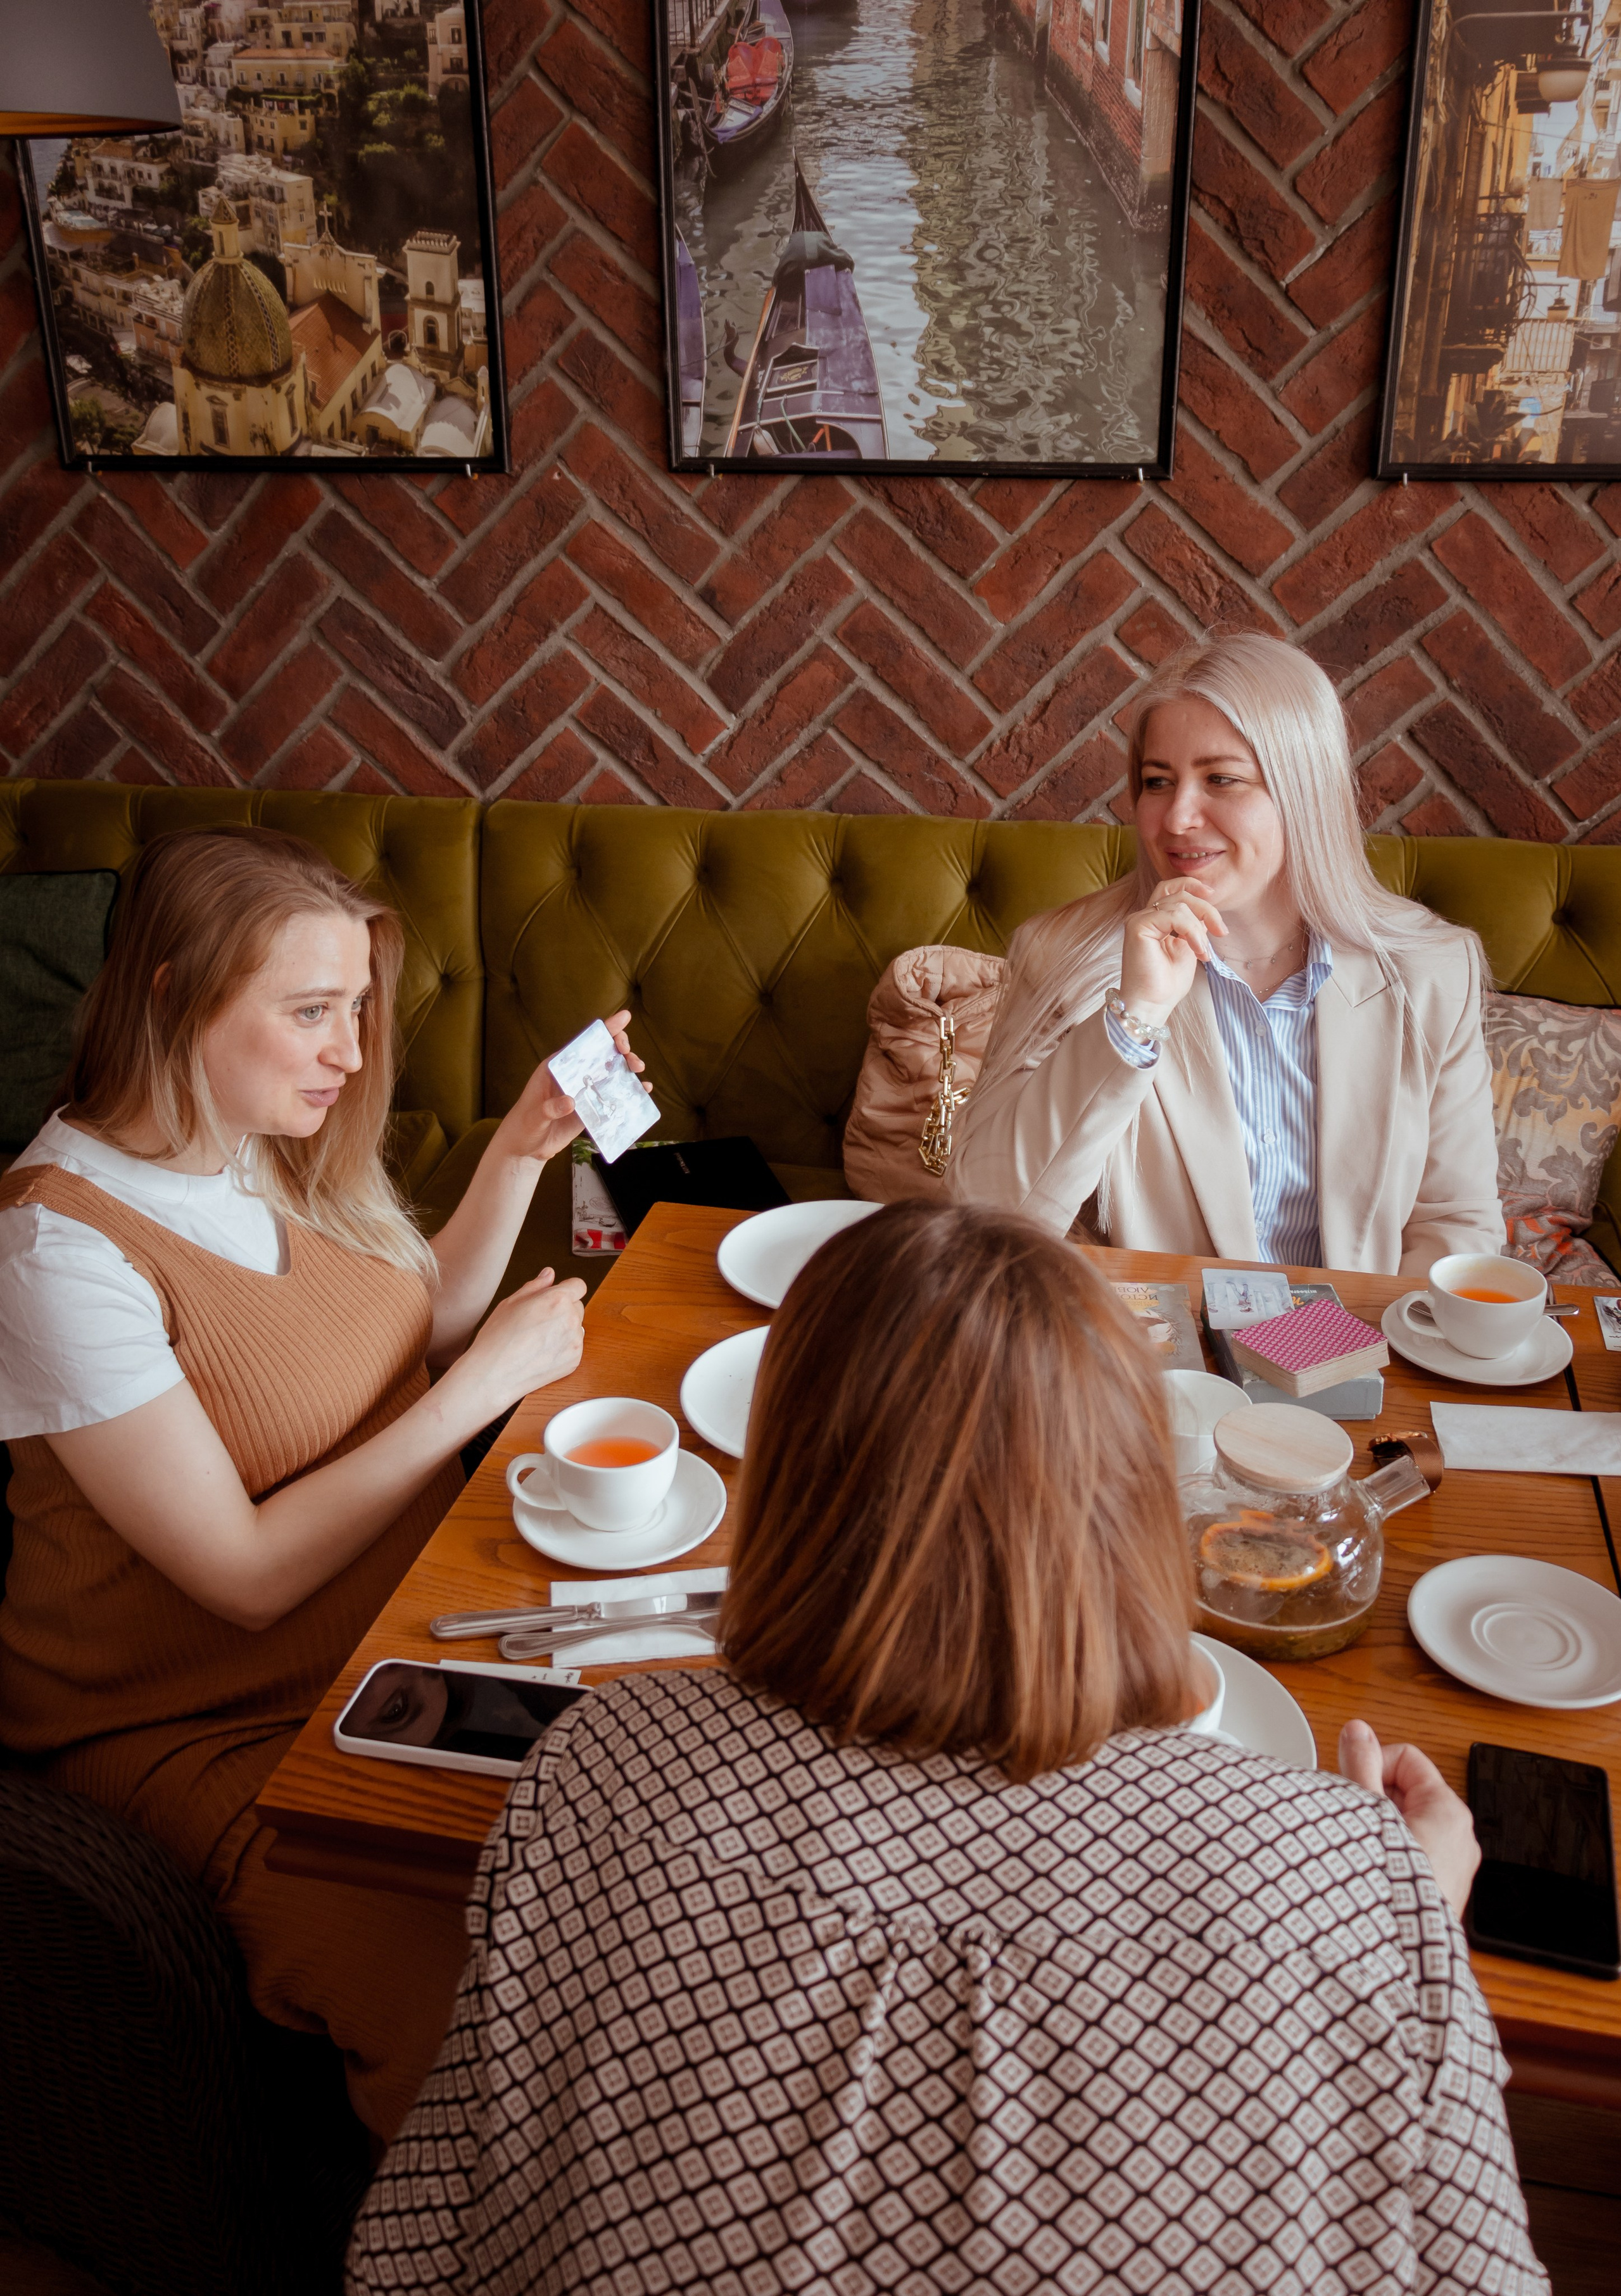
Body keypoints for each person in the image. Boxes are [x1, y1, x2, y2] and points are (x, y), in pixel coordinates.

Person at [348, 1203, 1544, 2295]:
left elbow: (438, 2230)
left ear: (787, 1484)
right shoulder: (1346, 1868)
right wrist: (1406, 1918)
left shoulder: (605, 1757)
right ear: (1133, 1502)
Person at [0, 824, 638, 2139]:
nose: (349, 1055)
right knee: (465, 1983)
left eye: (354, 1008)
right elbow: (242, 1579)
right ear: (172, 993)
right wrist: (474, 1396)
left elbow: (409, 1330)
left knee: (631, 1851)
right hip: (199, 1723)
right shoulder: (56, 1248)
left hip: (396, 1646)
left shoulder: (258, 1136)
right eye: (310, 1012)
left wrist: (522, 1146)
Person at [949, 633, 1505, 1275]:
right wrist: (1133, 1019)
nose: (1177, 818)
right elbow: (984, 1219)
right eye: (1157, 782)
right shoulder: (1061, 955)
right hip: (1154, 1334)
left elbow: (1454, 1222)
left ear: (1304, 790)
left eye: (1221, 779)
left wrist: (1379, 1334)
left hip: (1363, 1330)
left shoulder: (1432, 970)